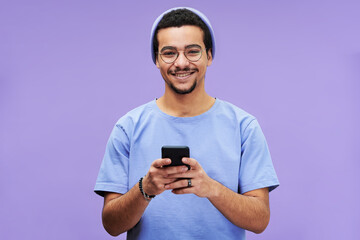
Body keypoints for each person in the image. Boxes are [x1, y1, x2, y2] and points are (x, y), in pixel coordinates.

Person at [94, 7, 279, 240]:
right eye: (169, 53)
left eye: (193, 51)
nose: (181, 63)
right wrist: (145, 189)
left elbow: (260, 220)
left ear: (209, 56)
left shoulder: (244, 127)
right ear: (156, 60)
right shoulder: (127, 128)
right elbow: (111, 225)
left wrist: (211, 188)